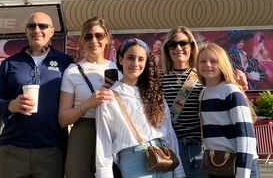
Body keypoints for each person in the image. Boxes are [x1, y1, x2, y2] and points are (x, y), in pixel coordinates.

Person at [0, 12, 73, 178]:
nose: (37, 30)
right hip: (12, 150)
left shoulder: (66, 63)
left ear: (52, 31)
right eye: (31, 26)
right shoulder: (9, 63)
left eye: (43, 26)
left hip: (52, 151)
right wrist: (10, 105)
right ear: (26, 31)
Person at [96, 38, 185, 178]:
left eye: (140, 59)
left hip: (164, 156)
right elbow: (103, 142)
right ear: (120, 59)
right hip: (133, 160)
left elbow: (169, 134)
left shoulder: (155, 95)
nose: (135, 63)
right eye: (130, 58)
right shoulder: (109, 97)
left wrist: (179, 171)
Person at [59, 17, 118, 178]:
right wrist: (88, 104)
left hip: (113, 132)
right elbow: (63, 119)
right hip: (83, 133)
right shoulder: (72, 71)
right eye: (88, 36)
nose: (94, 41)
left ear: (106, 38)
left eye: (99, 36)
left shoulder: (119, 69)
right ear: (82, 41)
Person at [197, 43, 259, 178]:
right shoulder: (203, 94)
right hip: (217, 164)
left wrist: (242, 174)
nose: (207, 64)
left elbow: (246, 138)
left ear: (223, 64)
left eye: (213, 61)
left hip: (240, 165)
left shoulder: (231, 91)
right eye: (203, 61)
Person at [160, 26, 204, 178]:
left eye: (183, 43)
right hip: (172, 147)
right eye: (172, 44)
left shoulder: (202, 76)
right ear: (167, 49)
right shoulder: (158, 79)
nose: (178, 48)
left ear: (191, 46)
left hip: (200, 147)